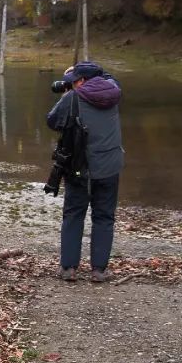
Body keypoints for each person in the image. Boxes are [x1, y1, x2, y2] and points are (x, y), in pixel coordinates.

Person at [46, 61, 124, 282]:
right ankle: (99, 271)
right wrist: (95, 72)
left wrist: (65, 97)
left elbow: (52, 121)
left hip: (80, 167)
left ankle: (69, 268)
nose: (72, 83)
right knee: (104, 217)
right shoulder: (114, 92)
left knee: (73, 215)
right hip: (110, 166)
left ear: (82, 81)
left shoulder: (73, 98)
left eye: (76, 80)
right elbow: (108, 77)